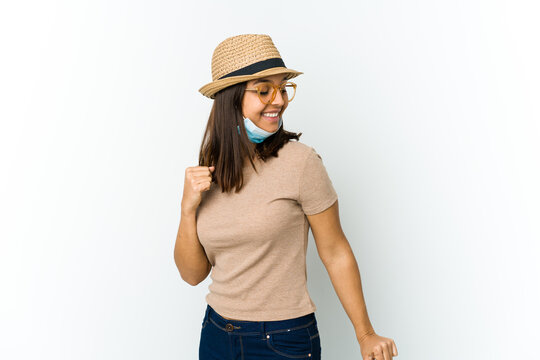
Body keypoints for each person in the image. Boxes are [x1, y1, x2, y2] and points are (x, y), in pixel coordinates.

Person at [174, 34, 398, 360]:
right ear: (230, 99)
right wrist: (186, 209)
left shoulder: (301, 163)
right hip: (216, 335)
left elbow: (335, 251)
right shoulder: (210, 169)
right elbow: (192, 275)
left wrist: (365, 334)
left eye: (283, 88)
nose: (279, 100)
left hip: (282, 340)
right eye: (265, 90)